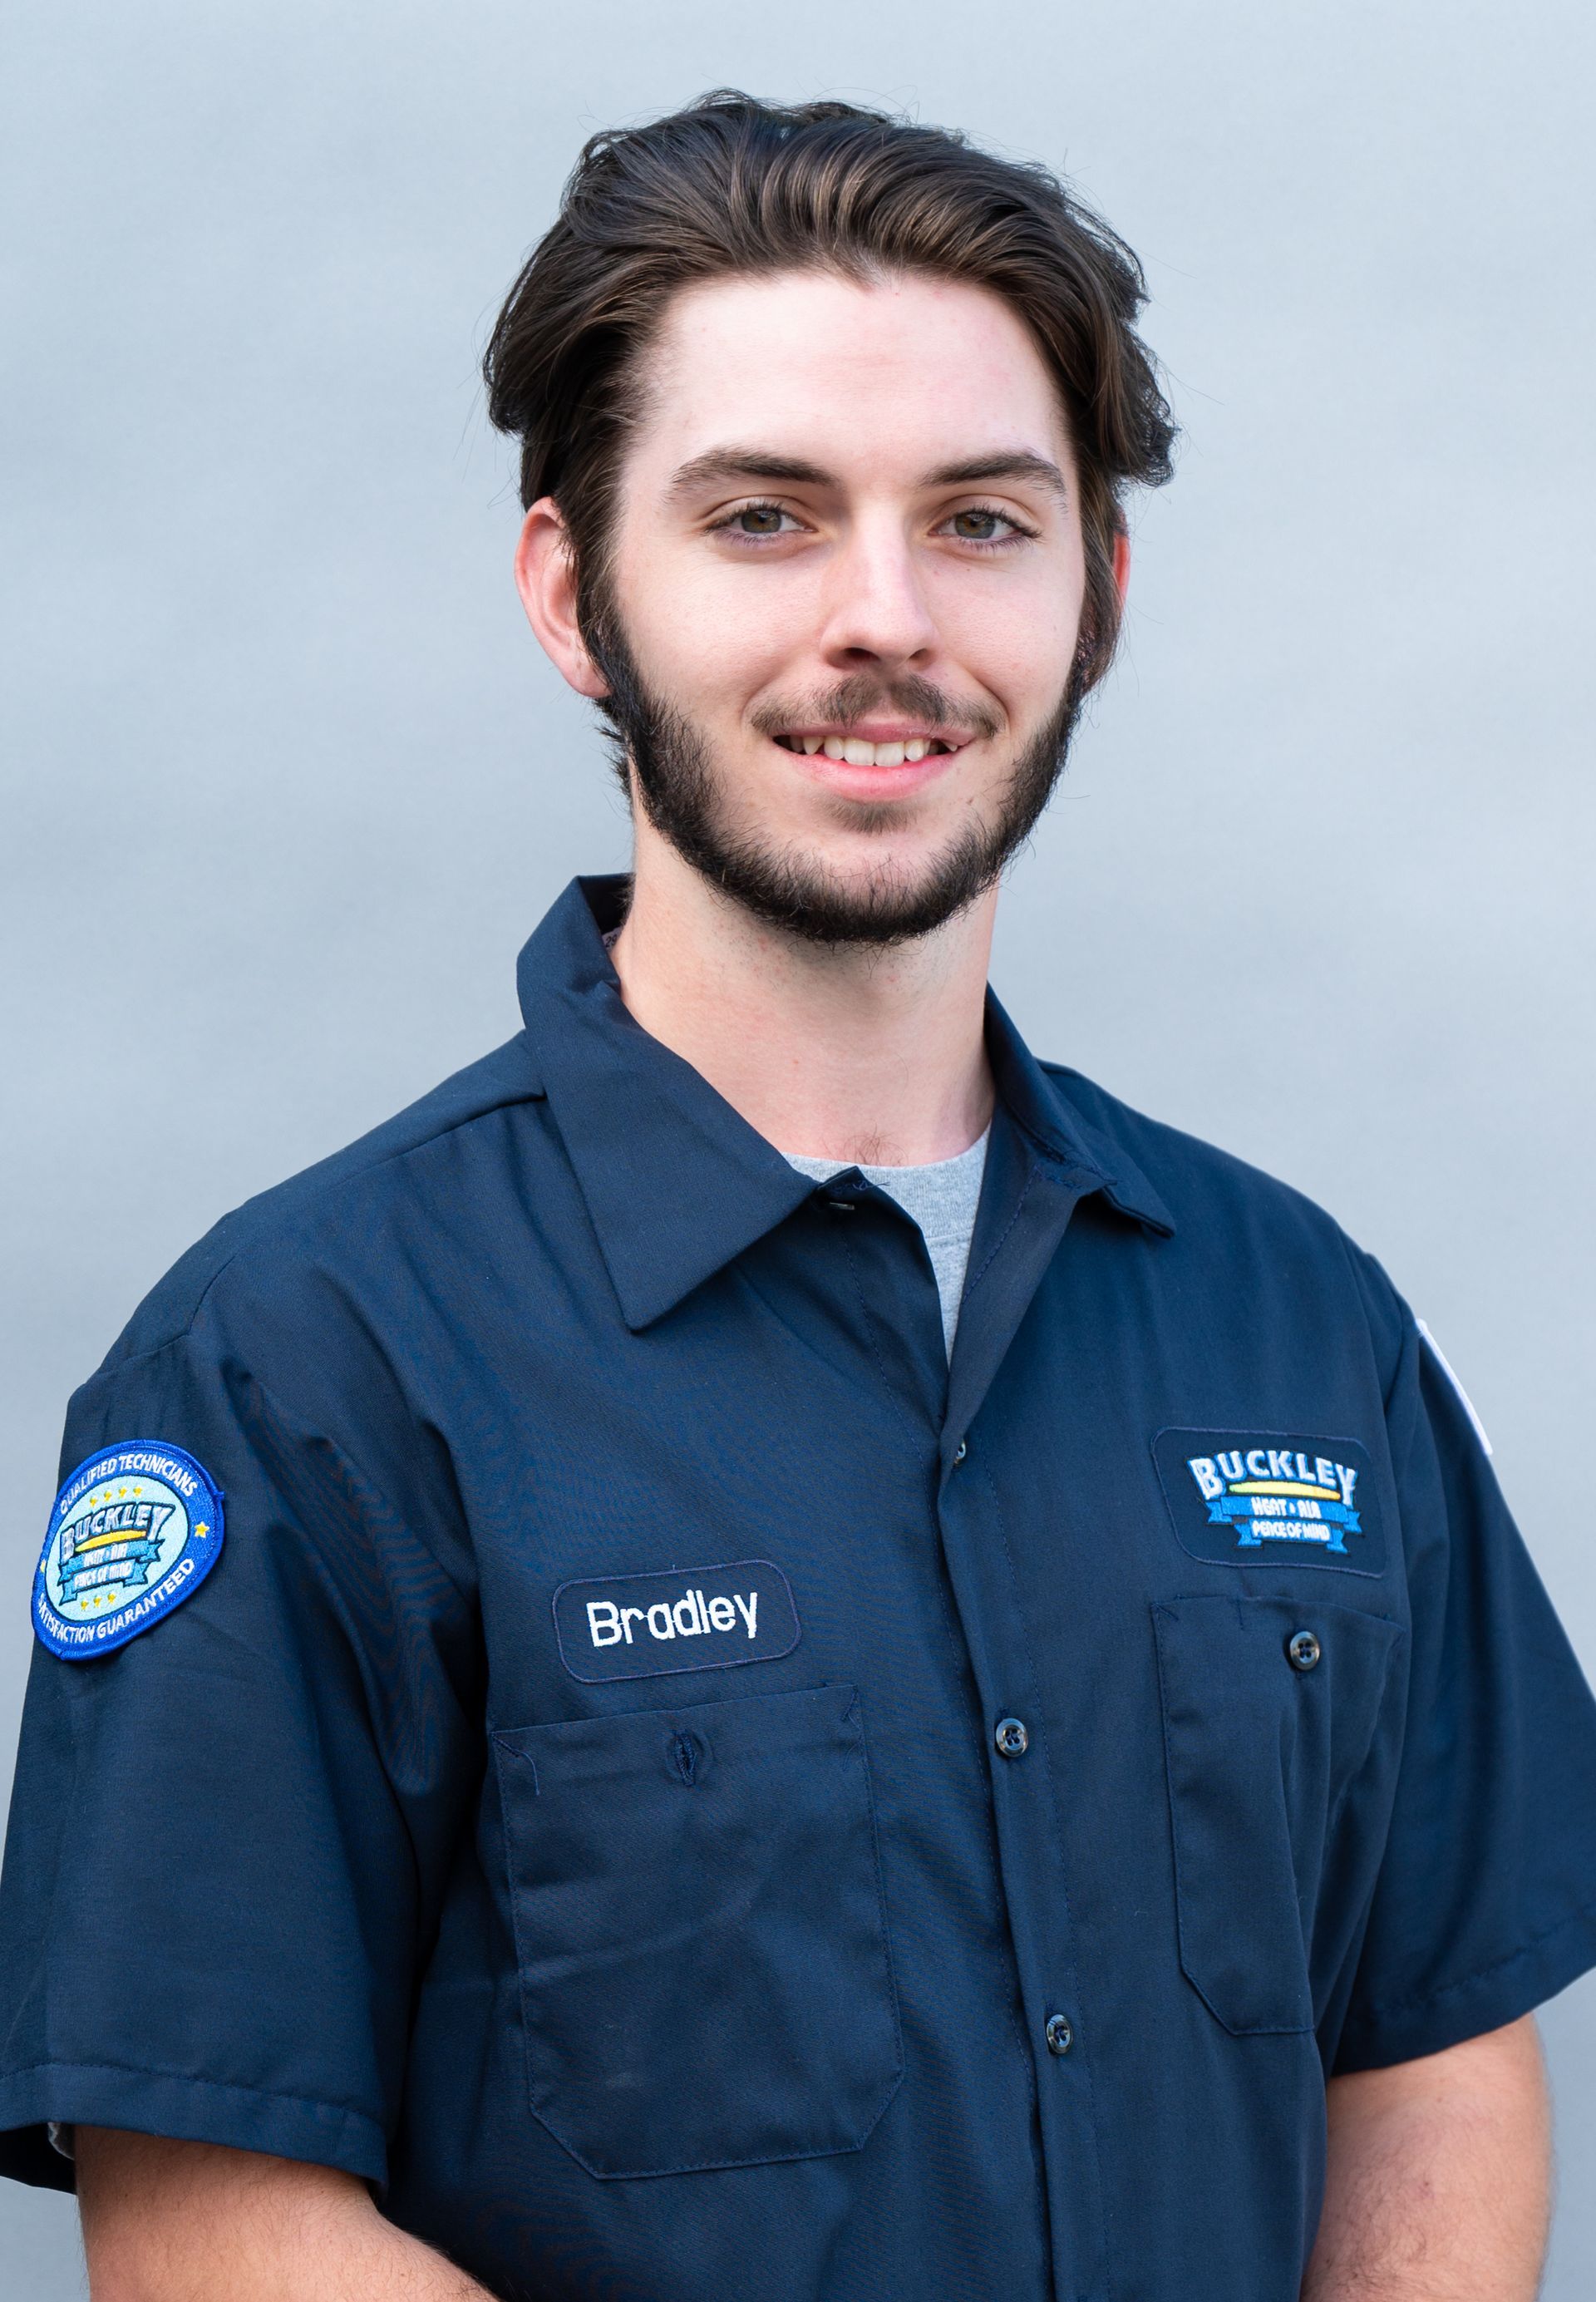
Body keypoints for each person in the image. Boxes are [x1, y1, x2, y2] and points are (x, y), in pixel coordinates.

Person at [2, 89, 1593, 2302]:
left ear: (1096, 592)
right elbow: (209, 2220)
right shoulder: (303, 1365)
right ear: (576, 591)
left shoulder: (1300, 1321)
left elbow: (1425, 2048)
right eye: (765, 517)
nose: (885, 618)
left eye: (981, 520)